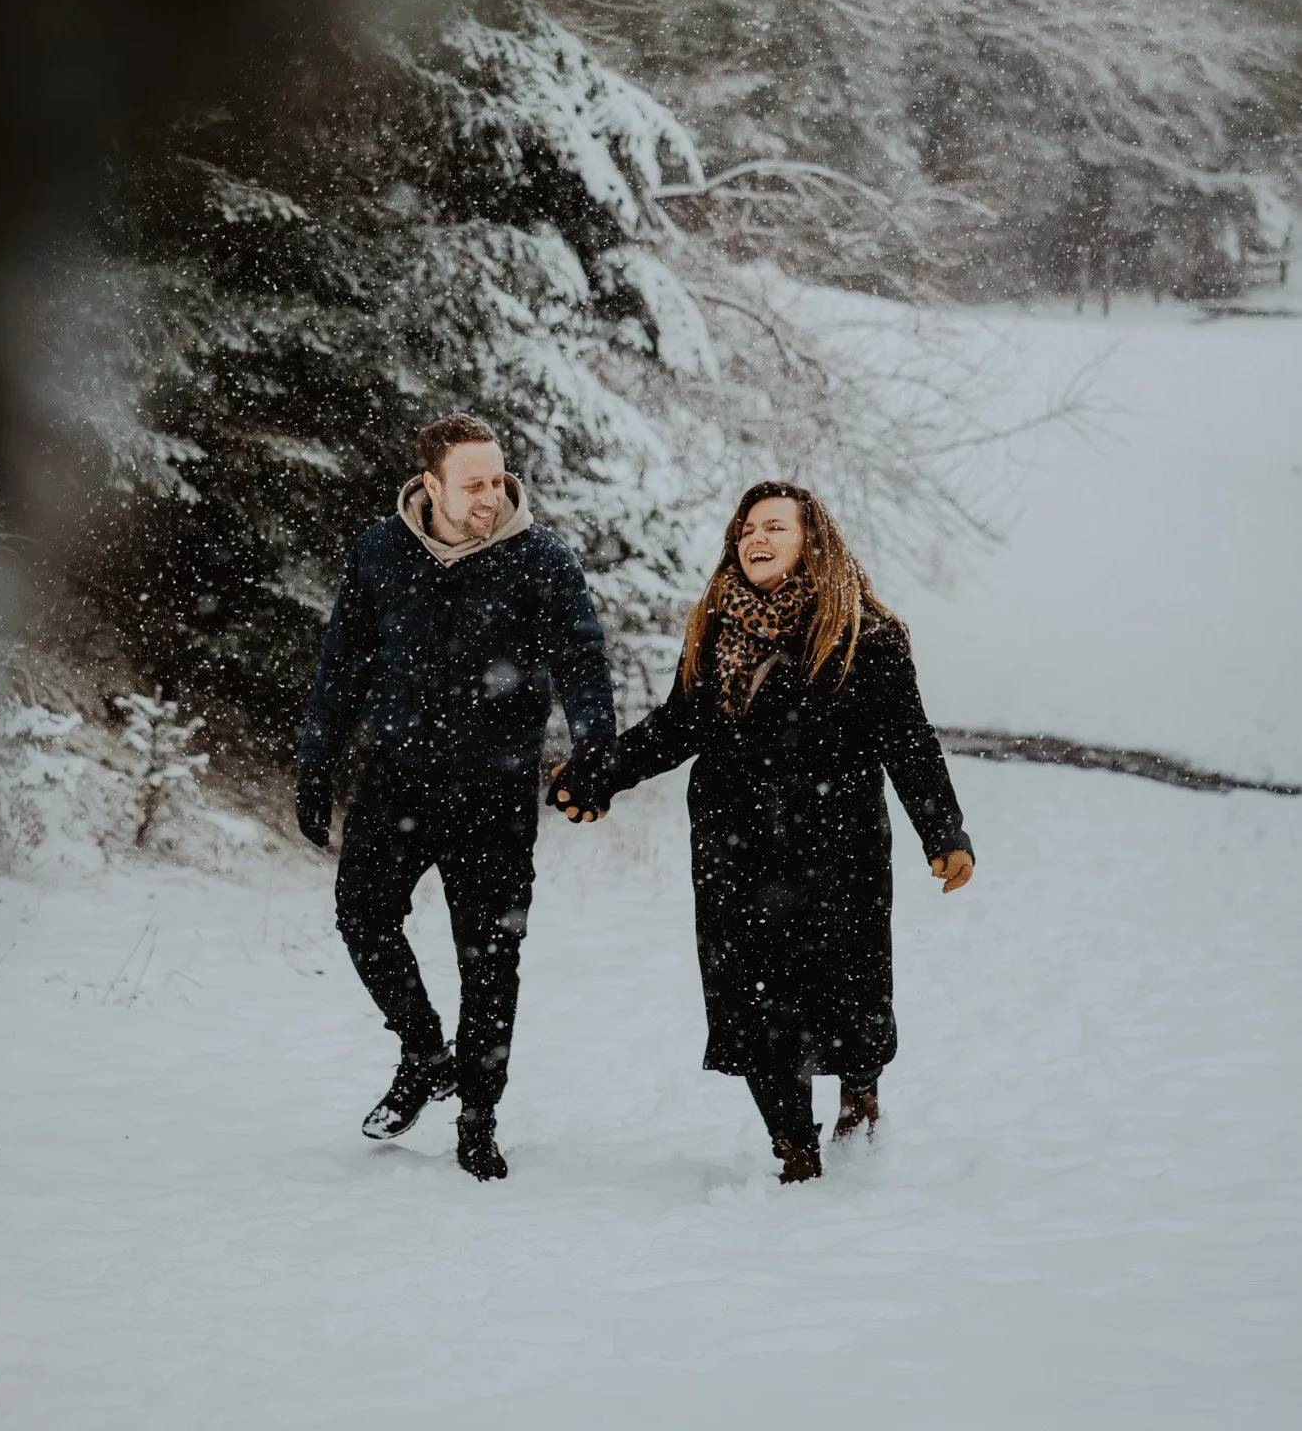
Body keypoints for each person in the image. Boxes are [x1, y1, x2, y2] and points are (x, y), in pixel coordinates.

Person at [549, 480, 974, 1183]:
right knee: (752, 1000)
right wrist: (600, 774)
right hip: (734, 850)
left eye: (776, 527)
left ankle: (860, 1089)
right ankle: (793, 1149)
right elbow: (678, 725)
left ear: (813, 542)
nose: (756, 538)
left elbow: (907, 740)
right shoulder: (717, 631)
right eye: (747, 528)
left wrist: (943, 832)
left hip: (836, 851)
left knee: (847, 995)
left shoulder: (862, 634)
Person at [294, 414, 616, 1180]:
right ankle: (422, 1053)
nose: (489, 493)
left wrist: (595, 750)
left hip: (495, 790)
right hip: (397, 775)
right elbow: (344, 661)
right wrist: (316, 763)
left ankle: (478, 1115)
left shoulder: (539, 559)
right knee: (362, 916)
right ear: (430, 485)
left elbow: (581, 657)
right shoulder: (381, 551)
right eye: (472, 482)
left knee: (490, 956)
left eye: (498, 478)